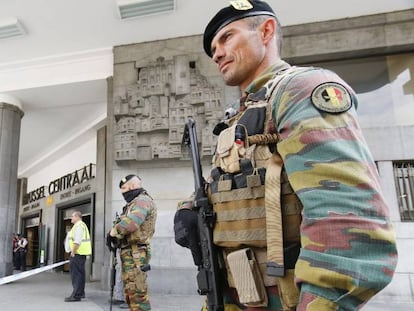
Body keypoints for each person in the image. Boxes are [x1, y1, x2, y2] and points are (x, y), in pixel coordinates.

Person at [176, 1, 399, 310]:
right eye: (213, 47)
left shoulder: (300, 90)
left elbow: (347, 221)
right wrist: (192, 207)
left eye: (227, 37)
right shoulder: (242, 115)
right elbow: (253, 183)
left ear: (266, 31)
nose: (216, 53)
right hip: (236, 294)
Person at [109, 174, 157, 311]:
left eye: (124, 188)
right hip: (130, 252)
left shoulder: (142, 200)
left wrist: (112, 232)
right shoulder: (134, 203)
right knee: (131, 293)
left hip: (136, 254)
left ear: (134, 186)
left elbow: (131, 223)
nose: (123, 192)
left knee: (138, 295)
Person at [64, 210, 92, 302]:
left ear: (77, 217)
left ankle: (76, 295)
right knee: (80, 274)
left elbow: (77, 241)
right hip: (80, 254)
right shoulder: (80, 226)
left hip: (77, 253)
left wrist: (73, 252)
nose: (71, 218)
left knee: (76, 275)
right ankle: (80, 293)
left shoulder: (79, 226)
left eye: (72, 216)